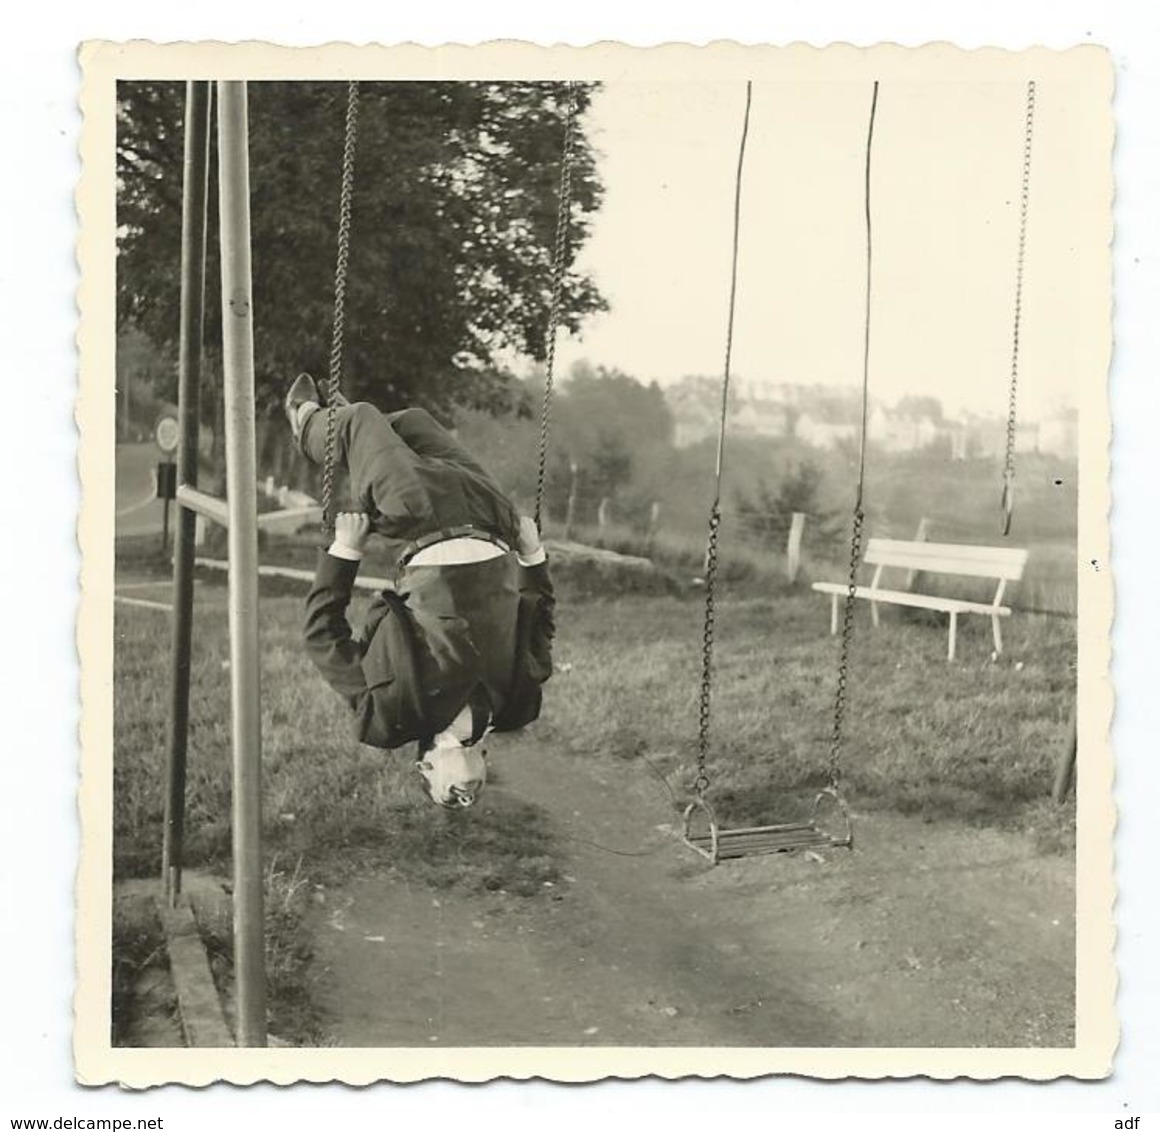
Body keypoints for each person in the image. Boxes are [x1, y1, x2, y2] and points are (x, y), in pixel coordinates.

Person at [285, 373, 555, 810]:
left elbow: (321, 636)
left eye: (450, 797)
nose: (466, 793)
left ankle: (308, 423)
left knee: (362, 421)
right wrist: (533, 557)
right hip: (493, 518)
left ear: (424, 769)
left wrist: (344, 552)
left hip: (418, 516)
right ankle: (359, 441)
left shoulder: (390, 718)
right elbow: (541, 627)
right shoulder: (518, 707)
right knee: (412, 422)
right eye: (472, 795)